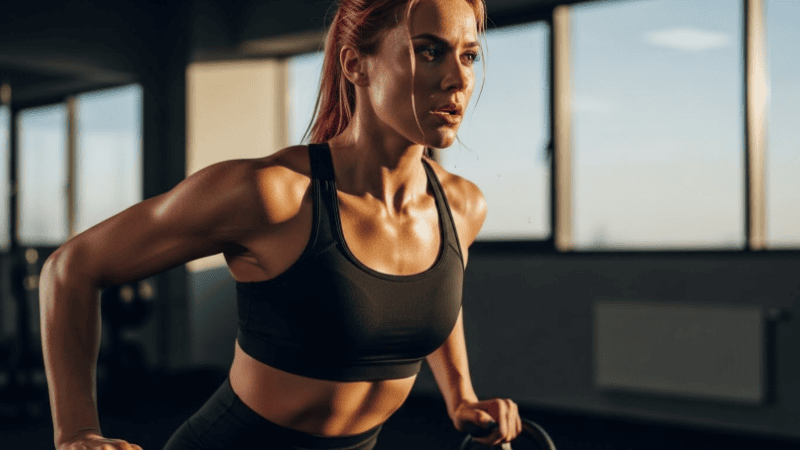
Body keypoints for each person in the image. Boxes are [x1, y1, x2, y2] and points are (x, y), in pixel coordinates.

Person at [39, 0, 524, 449]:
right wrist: (77, 430)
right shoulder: (272, 195)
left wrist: (460, 394)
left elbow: (432, 292)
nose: (458, 80)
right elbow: (70, 267)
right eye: (430, 51)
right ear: (356, 64)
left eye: (469, 57)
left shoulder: (461, 207)